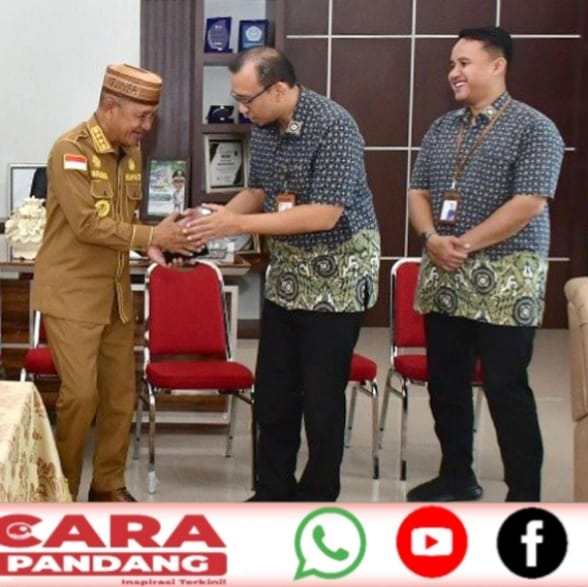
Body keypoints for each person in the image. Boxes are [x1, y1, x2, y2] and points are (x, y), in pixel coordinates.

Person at [186, 47, 380, 501]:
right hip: (288, 276)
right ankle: (272, 490)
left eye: (246, 99)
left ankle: (317, 496)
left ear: (278, 89)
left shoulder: (335, 126)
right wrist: (216, 221)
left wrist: (238, 224)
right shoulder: (264, 127)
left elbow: (324, 214)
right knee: (274, 393)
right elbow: (259, 190)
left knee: (321, 396)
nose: (241, 109)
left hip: (337, 276)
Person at [406, 27, 563, 502]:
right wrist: (431, 238)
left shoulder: (535, 127)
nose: (454, 73)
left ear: (498, 65)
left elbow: (529, 202)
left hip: (506, 277)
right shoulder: (442, 128)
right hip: (446, 273)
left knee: (505, 385)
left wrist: (465, 244)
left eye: (464, 63)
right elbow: (418, 192)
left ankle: (524, 493)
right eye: (451, 65)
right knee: (446, 383)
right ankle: (457, 474)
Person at [32, 64, 197, 502]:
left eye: (151, 117)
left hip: (116, 296)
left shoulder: (131, 152)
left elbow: (123, 224)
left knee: (121, 398)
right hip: (72, 295)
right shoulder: (70, 151)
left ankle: (107, 485)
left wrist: (152, 245)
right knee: (80, 397)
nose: (147, 126)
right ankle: (62, 491)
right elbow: (87, 224)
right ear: (110, 106)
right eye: (140, 116)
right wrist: (151, 235)